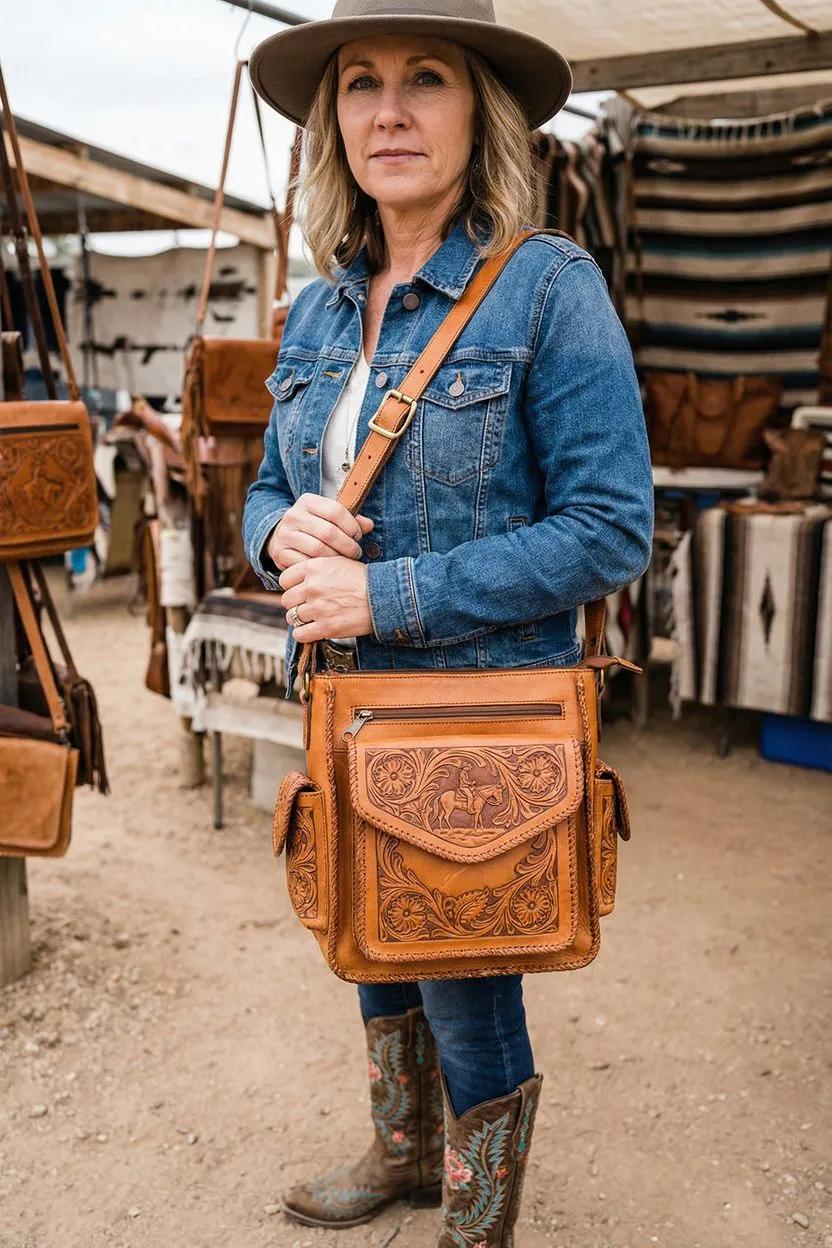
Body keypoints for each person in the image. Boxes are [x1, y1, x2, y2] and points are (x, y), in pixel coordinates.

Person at [243, 2, 654, 1241]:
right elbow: (271, 483)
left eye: (425, 79)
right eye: (360, 85)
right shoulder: (318, 309)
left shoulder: (546, 287)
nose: (389, 110)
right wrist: (281, 533)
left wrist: (386, 593)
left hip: (479, 711)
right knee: (369, 939)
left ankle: (477, 1220)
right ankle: (410, 1151)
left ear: (479, 111)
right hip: (346, 702)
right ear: (335, 125)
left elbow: (609, 528)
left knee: (466, 979)